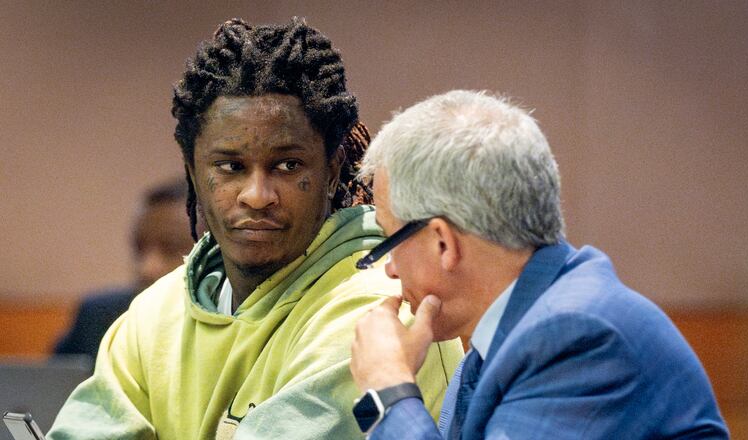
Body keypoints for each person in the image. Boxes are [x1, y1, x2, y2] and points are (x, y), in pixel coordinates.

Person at [48, 18, 461, 440]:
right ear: (194, 174)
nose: (257, 195)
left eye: (287, 165)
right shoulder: (153, 315)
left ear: (333, 173)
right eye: (231, 167)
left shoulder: (380, 310)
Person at [349, 90, 729, 439]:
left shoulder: (579, 337)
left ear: (443, 242)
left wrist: (388, 388)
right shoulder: (494, 351)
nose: (390, 270)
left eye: (389, 242)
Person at [53, 178, 193, 360]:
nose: (146, 268)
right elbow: (50, 384)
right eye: (139, 248)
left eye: (170, 248)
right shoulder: (98, 316)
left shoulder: (234, 329)